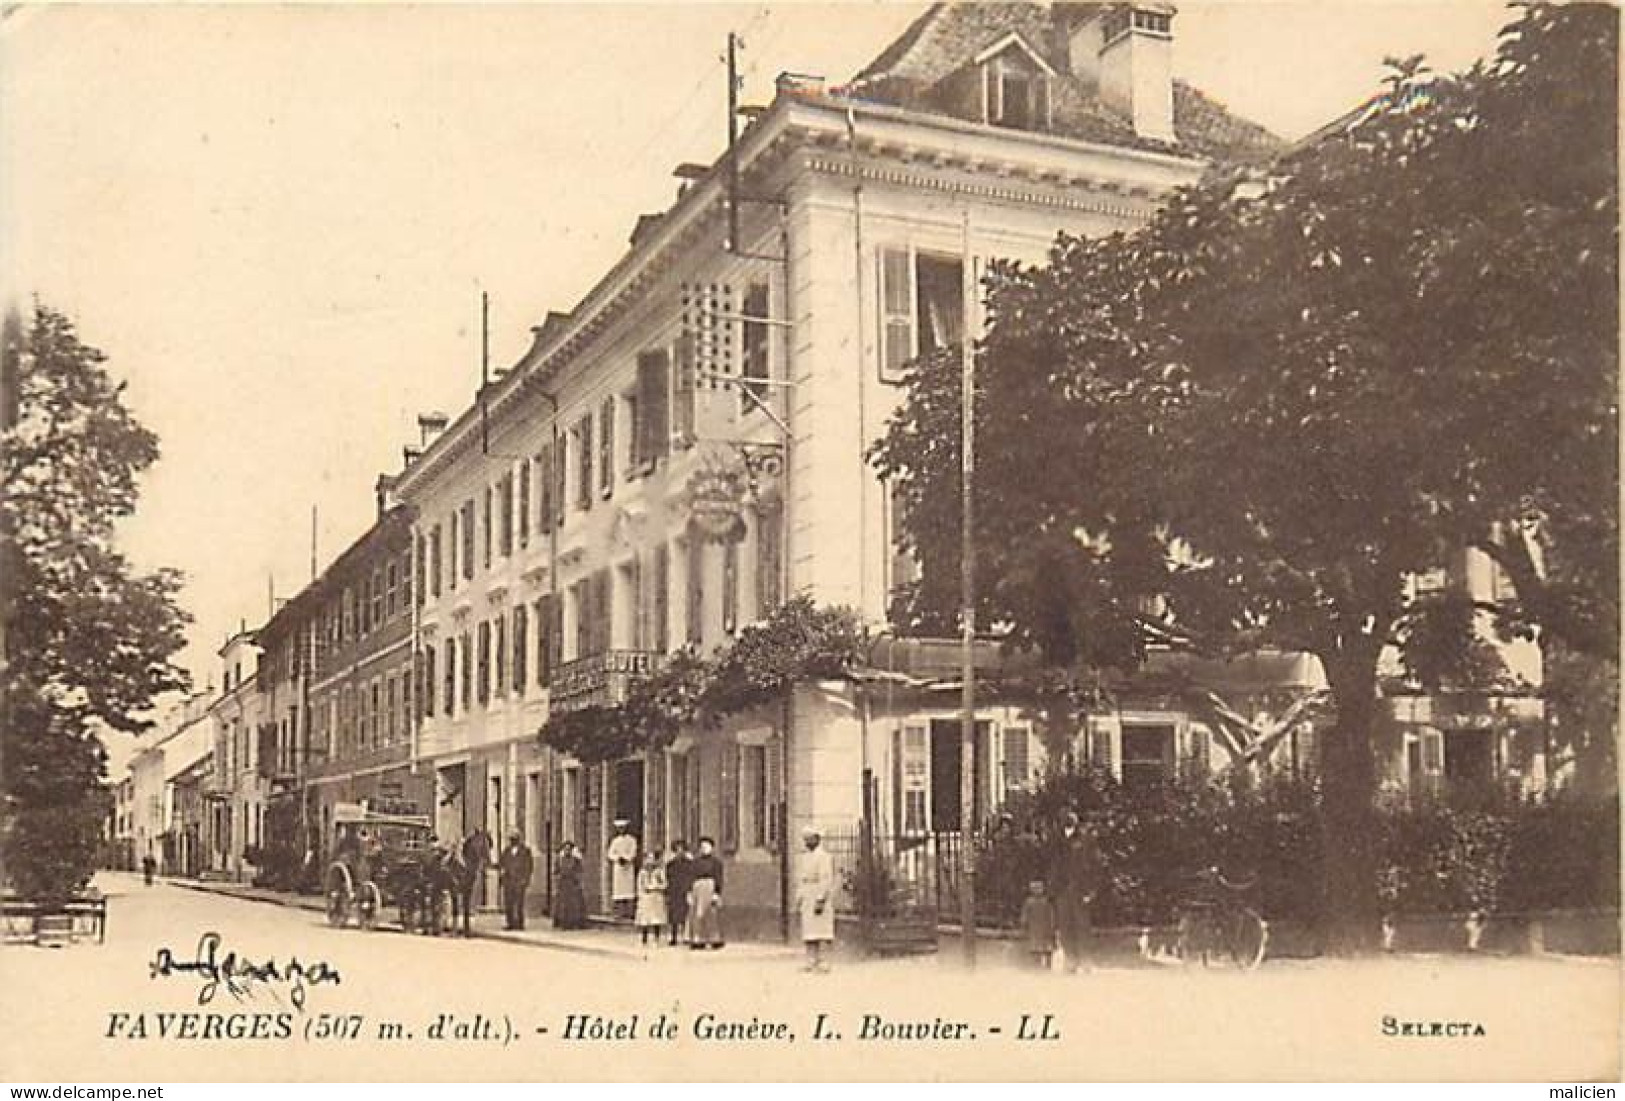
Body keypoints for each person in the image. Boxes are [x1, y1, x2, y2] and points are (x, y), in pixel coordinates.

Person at [1049, 810, 1103, 973]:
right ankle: (1070, 960)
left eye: (1072, 818)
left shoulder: (1085, 839)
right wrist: (1052, 887)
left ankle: (1085, 960)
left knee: (1082, 926)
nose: (1069, 820)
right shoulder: (1055, 839)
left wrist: (1091, 890)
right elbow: (1051, 865)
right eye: (1065, 818)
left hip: (1080, 889)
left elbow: (1095, 865)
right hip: (1062, 889)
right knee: (1065, 927)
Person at [796, 827, 835, 972]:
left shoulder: (824, 856)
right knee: (809, 930)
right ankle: (811, 960)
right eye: (805, 839)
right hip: (807, 894)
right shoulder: (805, 857)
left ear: (817, 839)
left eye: (810, 839)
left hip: (818, 892)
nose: (807, 842)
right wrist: (799, 896)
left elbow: (825, 878)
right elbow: (801, 878)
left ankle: (824, 960)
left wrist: (821, 899)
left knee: (822, 930)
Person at [687, 836, 725, 950]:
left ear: (712, 848)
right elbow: (691, 876)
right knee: (697, 914)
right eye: (702, 846)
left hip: (710, 886)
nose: (704, 848)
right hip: (698, 887)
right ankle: (698, 939)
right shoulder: (695, 862)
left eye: (707, 846)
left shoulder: (716, 862)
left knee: (711, 914)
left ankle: (714, 938)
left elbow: (718, 877)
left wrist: (717, 892)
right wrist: (689, 892)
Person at [1019, 879, 1058, 971]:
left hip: (1046, 929)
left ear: (1043, 889)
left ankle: (1048, 966)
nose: (1037, 890)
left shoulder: (1047, 902)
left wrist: (1053, 926)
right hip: (1034, 929)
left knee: (1048, 949)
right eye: (1034, 888)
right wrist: (1024, 924)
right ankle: (1036, 967)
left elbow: (1052, 915)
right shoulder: (1029, 902)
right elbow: (1025, 915)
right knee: (1035, 949)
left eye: (1039, 888)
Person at [498, 832, 534, 931]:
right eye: (511, 839)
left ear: (519, 839)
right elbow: (502, 864)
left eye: (515, 839)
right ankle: (510, 923)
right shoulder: (506, 851)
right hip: (508, 881)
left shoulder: (525, 851)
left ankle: (520, 923)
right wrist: (502, 875)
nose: (513, 841)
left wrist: (525, 879)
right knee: (508, 903)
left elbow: (529, 866)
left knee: (519, 903)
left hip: (519, 881)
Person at [607, 819, 639, 921]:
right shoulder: (615, 841)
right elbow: (610, 853)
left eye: (623, 828)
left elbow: (633, 852)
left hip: (628, 866)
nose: (621, 830)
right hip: (618, 867)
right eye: (619, 828)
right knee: (619, 890)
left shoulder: (631, 840)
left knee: (629, 890)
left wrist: (627, 858)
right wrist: (617, 858)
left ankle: (629, 912)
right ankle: (619, 913)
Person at [664, 840, 693, 946]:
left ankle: (686, 936)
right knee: (673, 916)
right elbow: (668, 878)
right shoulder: (670, 865)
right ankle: (674, 936)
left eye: (681, 849)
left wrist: (689, 889)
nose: (679, 852)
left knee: (685, 914)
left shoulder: (689, 864)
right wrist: (667, 892)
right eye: (677, 849)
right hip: (674, 892)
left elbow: (691, 877)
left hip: (684, 891)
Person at [635, 852, 667, 946]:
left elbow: (665, 884)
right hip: (646, 897)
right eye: (648, 859)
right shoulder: (642, 872)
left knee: (656, 919)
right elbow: (639, 885)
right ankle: (644, 939)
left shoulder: (659, 872)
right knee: (645, 919)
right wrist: (641, 894)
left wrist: (657, 887)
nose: (650, 861)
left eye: (651, 859)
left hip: (656, 897)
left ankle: (656, 939)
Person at [554, 841, 587, 930]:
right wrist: (558, 878)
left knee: (573, 904)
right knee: (563, 905)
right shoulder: (559, 860)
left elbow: (579, 871)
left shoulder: (575, 860)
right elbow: (556, 872)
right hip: (563, 884)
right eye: (565, 849)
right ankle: (564, 923)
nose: (567, 851)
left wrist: (577, 880)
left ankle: (573, 923)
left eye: (569, 849)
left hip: (573, 884)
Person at [463, 826, 494, 912]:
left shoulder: (475, 840)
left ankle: (471, 906)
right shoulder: (480, 841)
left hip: (472, 865)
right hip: (473, 865)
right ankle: (471, 906)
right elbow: (486, 853)